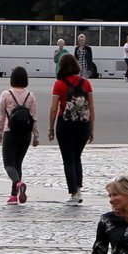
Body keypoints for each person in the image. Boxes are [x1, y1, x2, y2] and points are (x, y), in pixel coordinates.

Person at [48, 54, 94, 206]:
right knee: (77, 157)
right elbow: (91, 108)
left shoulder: (59, 84)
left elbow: (54, 108)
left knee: (68, 159)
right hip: (83, 125)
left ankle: (73, 193)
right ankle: (78, 189)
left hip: (65, 124)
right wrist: (91, 129)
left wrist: (51, 128)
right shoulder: (86, 84)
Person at [0, 66, 38, 205]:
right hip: (25, 134)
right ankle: (14, 195)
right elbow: (34, 118)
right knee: (18, 163)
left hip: (11, 132)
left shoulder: (6, 94)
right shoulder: (30, 96)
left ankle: (18, 184)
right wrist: (36, 136)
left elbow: (1, 115)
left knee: (9, 164)